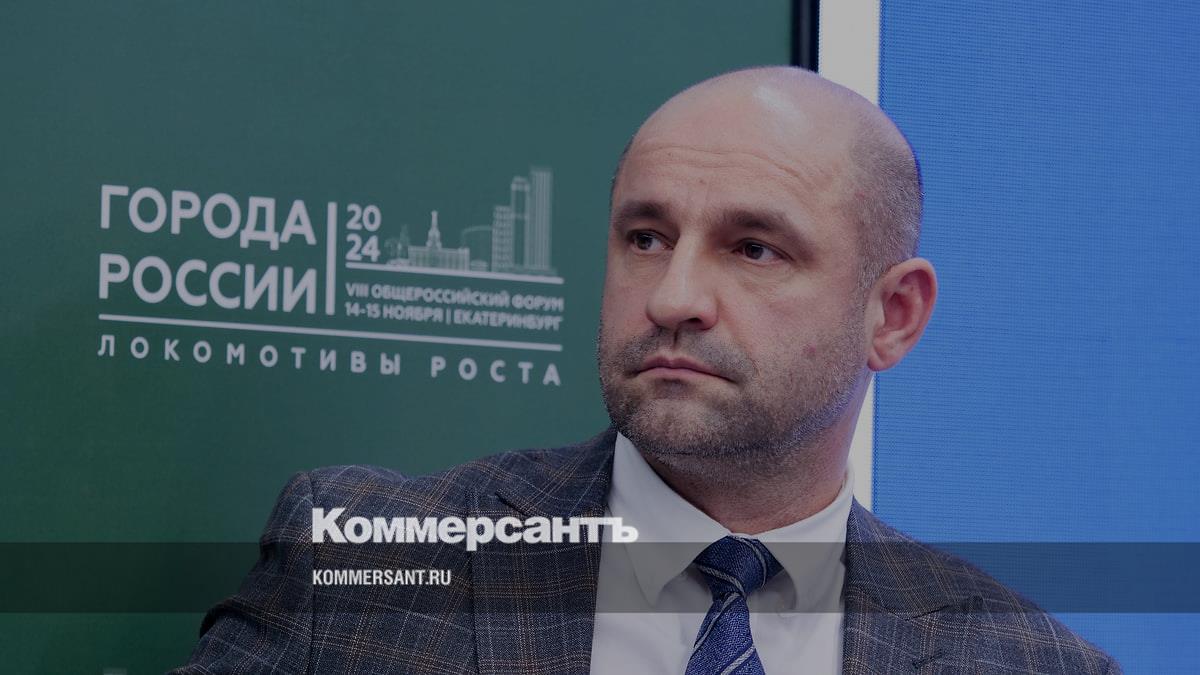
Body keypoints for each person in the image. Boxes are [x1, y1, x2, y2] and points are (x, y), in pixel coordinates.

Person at [174, 67, 1119, 674]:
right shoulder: (362, 566)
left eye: (753, 248)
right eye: (646, 237)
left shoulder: (1028, 660)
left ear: (893, 314)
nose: (673, 296)